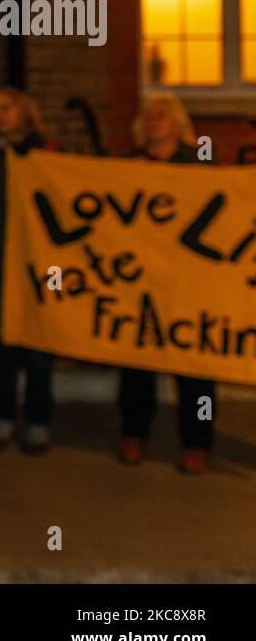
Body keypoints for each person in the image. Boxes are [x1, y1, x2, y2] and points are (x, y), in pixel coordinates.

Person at [117, 92, 214, 474]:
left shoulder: (198, 163)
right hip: (140, 281)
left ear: (178, 123)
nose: (155, 121)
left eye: (163, 115)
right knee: (137, 361)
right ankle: (134, 432)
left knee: (194, 367)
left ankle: (198, 442)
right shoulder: (127, 165)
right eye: (150, 115)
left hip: (188, 282)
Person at [0, 86, 58, 454]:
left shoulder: (46, 151)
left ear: (24, 111)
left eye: (7, 108)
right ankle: (4, 416)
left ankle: (38, 420)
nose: (0, 115)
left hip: (36, 263)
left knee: (37, 348)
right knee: (2, 349)